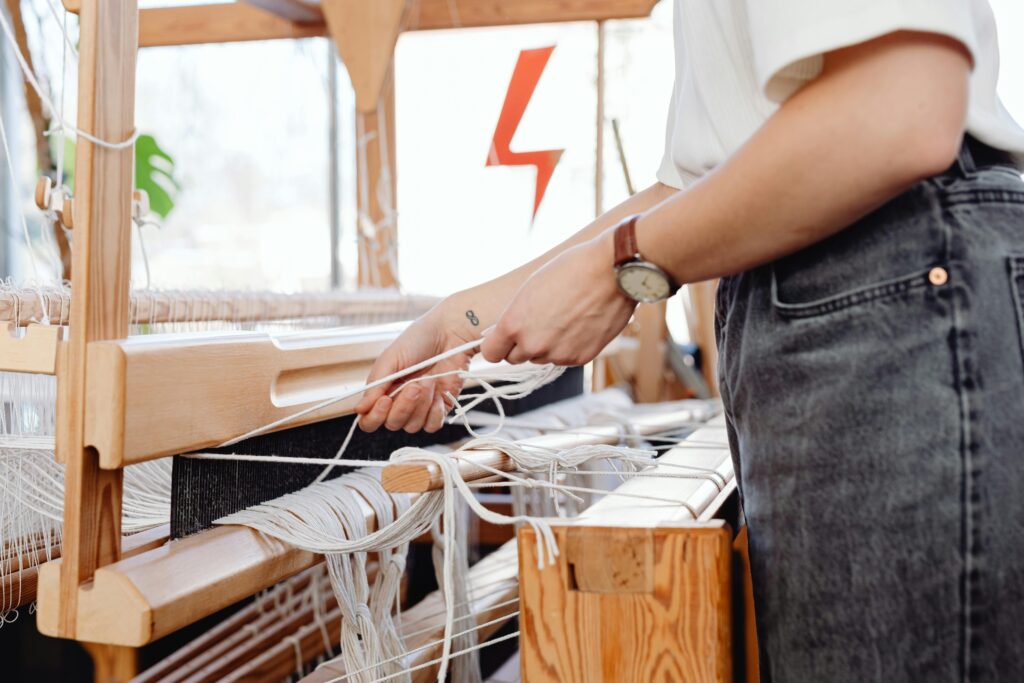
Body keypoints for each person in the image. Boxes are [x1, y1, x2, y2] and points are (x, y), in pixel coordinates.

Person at [355, 1, 1024, 680]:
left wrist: (622, 267)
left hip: (888, 288)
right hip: (859, 301)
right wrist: (458, 322)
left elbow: (898, 105)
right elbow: (692, 185)